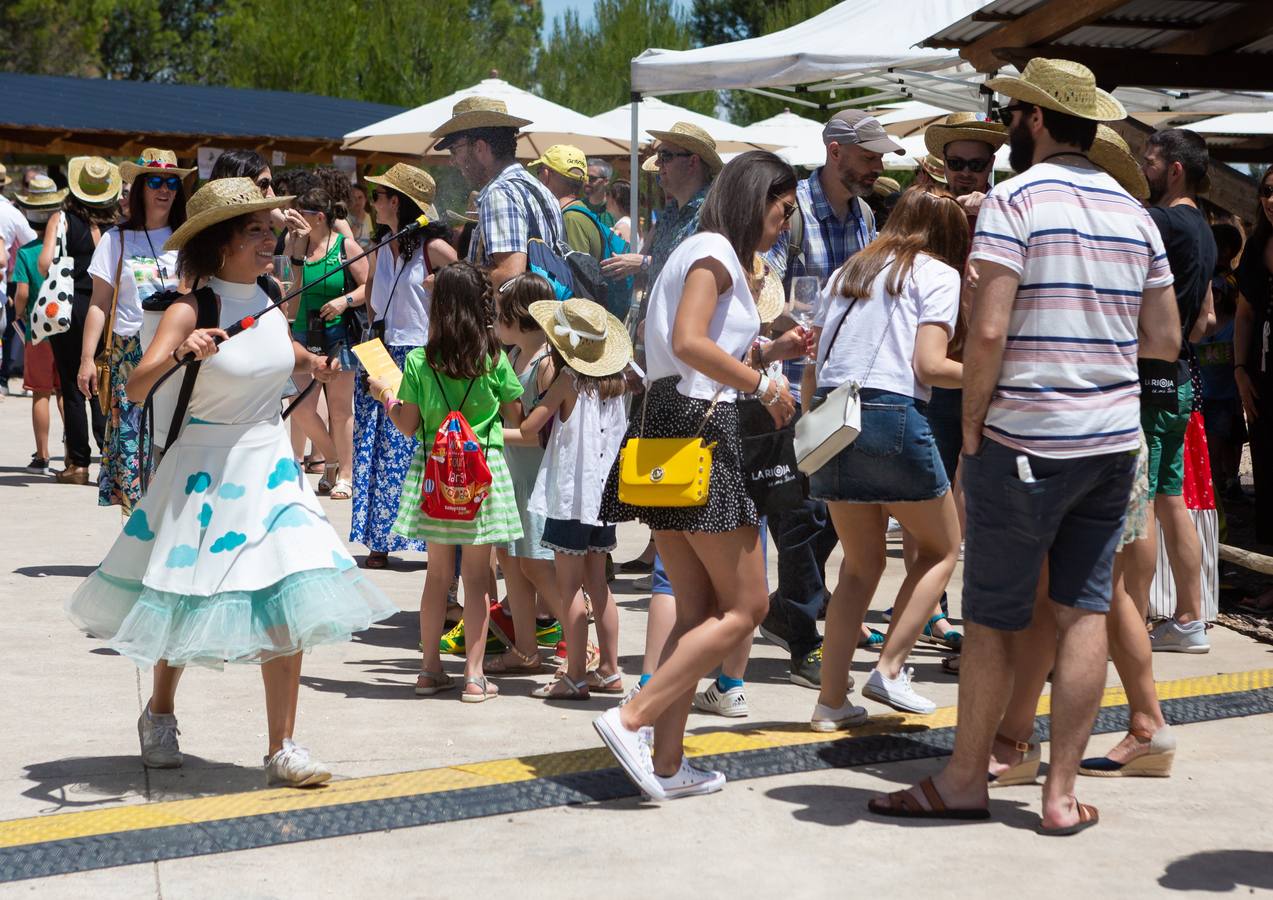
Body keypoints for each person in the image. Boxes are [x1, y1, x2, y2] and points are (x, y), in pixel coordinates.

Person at [868, 58, 1181, 833]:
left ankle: (966, 778)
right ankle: (1060, 796)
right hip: (1110, 442)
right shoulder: (1134, 213)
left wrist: (973, 422)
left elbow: (987, 327)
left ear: (1036, 119)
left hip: (1023, 439)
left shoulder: (1015, 199)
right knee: (1081, 614)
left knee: (992, 619)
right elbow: (1166, 338)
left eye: (1013, 112)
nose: (1007, 124)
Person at [64, 178, 395, 785]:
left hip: (270, 466)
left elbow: (279, 351)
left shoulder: (269, 293)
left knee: (290, 590)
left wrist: (316, 363)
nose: (272, 239)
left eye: (271, 229)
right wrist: (180, 351)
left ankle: (284, 746)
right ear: (221, 243)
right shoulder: (193, 307)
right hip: (204, 470)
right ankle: (160, 711)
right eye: (256, 231)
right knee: (185, 599)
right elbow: (137, 387)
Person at [593, 151, 797, 801]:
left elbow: (691, 349)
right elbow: (688, 342)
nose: (783, 222)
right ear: (752, 198)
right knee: (748, 606)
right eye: (780, 208)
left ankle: (668, 762)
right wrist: (764, 383)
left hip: (666, 424)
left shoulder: (696, 250)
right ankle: (632, 719)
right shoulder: (711, 250)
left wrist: (769, 351)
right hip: (700, 432)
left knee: (700, 607)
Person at [810, 186, 968, 722]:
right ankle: (891, 669)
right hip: (890, 413)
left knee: (859, 565)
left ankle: (831, 701)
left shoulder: (848, 272)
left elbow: (815, 365)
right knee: (944, 547)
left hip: (830, 419)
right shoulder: (938, 274)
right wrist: (996, 377)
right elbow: (930, 365)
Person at [762, 110, 904, 689]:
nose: (876, 166)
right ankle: (800, 637)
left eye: (879, 157)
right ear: (835, 150)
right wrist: (790, 325)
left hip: (842, 387)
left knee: (836, 514)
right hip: (793, 387)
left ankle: (785, 610)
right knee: (803, 514)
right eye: (868, 156)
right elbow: (764, 283)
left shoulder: (866, 215)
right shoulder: (792, 213)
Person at [372, 261, 525, 702]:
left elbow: (406, 424)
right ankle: (474, 678)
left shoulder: (421, 360)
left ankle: (428, 670)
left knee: (438, 577)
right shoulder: (493, 358)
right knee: (477, 580)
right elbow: (515, 414)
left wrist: (385, 393)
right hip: (483, 476)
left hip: (435, 476)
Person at [516, 297, 631, 699]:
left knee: (569, 590)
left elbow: (531, 426)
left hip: (570, 498)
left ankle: (575, 675)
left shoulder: (567, 382)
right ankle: (610, 670)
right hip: (604, 500)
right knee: (598, 586)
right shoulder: (617, 384)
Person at [1136, 128, 1218, 654]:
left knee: (1141, 498)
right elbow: (1207, 317)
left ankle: (1131, 614)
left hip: (1146, 375)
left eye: (1150, 162)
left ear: (1176, 169)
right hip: (1180, 379)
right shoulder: (1206, 230)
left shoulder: (1161, 222)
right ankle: (1191, 618)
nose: (1143, 169)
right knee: (1170, 498)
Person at [77, 148, 192, 514]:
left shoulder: (187, 238)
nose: (165, 189)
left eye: (172, 182)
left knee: (173, 441)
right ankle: (137, 535)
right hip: (129, 352)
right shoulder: (117, 239)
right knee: (134, 445)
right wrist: (86, 360)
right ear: (140, 187)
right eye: (156, 181)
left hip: (177, 351)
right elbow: (98, 303)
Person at [353, 164, 456, 569]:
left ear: (396, 202)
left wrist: (441, 290)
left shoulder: (435, 249)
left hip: (423, 355)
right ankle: (380, 540)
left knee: (415, 449)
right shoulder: (382, 245)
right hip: (383, 350)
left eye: (378, 196)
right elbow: (373, 299)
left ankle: (426, 540)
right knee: (379, 448)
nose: (374, 202)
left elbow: (469, 292)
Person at [488, 273, 564, 675]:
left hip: (536, 479)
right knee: (511, 561)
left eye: (502, 315)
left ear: (524, 316)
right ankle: (525, 649)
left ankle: (576, 631)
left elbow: (537, 438)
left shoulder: (547, 365)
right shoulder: (513, 357)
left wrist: (485, 434)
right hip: (513, 476)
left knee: (536, 563)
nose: (495, 322)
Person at [280, 183, 368, 501]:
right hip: (304, 331)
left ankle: (345, 474)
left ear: (318, 217)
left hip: (339, 334)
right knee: (300, 406)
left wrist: (345, 300)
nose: (294, 218)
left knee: (340, 408)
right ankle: (333, 459)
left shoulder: (346, 246)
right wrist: (297, 248)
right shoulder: (298, 245)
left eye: (300, 213)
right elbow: (295, 289)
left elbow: (367, 286)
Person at [39, 157, 117, 485]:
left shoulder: (63, 219)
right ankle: (108, 457)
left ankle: (79, 464)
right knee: (101, 380)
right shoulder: (115, 224)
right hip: (106, 307)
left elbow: (45, 263)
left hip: (71, 306)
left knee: (73, 385)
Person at [432, 96, 561, 289]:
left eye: (454, 150)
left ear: (480, 148)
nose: (453, 161)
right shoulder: (541, 190)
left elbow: (509, 274)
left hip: (510, 318)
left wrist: (448, 280)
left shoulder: (500, 193)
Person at [1233, 165, 1273, 609]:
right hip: (1263, 376)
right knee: (1266, 472)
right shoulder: (1257, 245)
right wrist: (1240, 369)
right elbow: (1244, 315)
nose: (1271, 199)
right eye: (1266, 191)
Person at [11, 175, 68, 473]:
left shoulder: (26, 252)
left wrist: (18, 312)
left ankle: (43, 454)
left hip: (38, 329)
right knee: (65, 392)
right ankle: (73, 452)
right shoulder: (66, 249)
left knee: (40, 392)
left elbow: (21, 292)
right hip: (67, 326)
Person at [1196, 223, 1246, 502]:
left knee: (1233, 437)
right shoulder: (1209, 278)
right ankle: (1218, 486)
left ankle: (1229, 482)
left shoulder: (1229, 283)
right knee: (1215, 441)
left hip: (1228, 385)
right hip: (1209, 388)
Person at [532, 144, 603, 261]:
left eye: (538, 171)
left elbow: (577, 274)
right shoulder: (580, 211)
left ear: (546, 174)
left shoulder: (570, 218)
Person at [585, 158, 616, 228]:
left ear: (606, 181)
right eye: (585, 177)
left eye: (592, 178)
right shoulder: (579, 206)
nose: (587, 182)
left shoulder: (615, 210)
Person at [348, 183, 375, 250]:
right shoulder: (345, 218)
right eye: (354, 198)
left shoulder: (368, 216)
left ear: (365, 199)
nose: (357, 201)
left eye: (360, 197)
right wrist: (359, 220)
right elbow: (348, 240)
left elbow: (370, 237)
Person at [606, 180, 632, 246]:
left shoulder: (623, 226)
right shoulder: (628, 222)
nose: (606, 198)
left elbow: (625, 254)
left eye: (608, 194)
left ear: (615, 198)